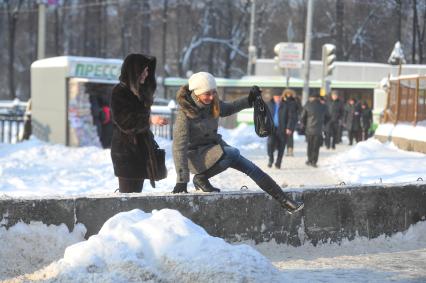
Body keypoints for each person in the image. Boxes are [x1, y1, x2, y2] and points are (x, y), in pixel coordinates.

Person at [172, 72, 303, 214]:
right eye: (207, 94)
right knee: (232, 153)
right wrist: (181, 179)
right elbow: (179, 146)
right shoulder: (184, 113)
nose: (211, 97)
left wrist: (250, 99)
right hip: (197, 157)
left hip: (215, 149)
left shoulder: (212, 102)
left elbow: (230, 107)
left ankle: (286, 202)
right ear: (196, 92)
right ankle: (201, 177)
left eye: (213, 93)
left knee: (251, 168)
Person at [110, 53, 168, 193]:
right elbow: (125, 121)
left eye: (148, 70)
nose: (146, 74)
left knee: (135, 196)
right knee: (129, 198)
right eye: (143, 70)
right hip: (126, 153)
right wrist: (149, 120)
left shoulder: (139, 93)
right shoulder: (120, 92)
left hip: (139, 152)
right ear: (134, 71)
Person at [266, 89, 297, 168]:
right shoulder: (269, 104)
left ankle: (278, 162)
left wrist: (289, 127)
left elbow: (291, 117)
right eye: (276, 97)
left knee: (281, 146)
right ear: (273, 97)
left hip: (282, 129)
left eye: (279, 97)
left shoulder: (286, 105)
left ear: (282, 97)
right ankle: (271, 158)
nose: (278, 99)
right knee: (270, 144)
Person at [300, 93, 330, 168]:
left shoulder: (307, 105)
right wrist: (323, 123)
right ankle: (314, 161)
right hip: (319, 129)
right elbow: (328, 117)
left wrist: (304, 124)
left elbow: (302, 117)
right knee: (316, 146)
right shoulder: (323, 106)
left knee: (310, 145)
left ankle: (309, 159)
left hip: (309, 129)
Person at [282, 89, 299, 157]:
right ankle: (286, 150)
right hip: (284, 121)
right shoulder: (283, 101)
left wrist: (296, 118)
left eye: (289, 94)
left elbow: (298, 110)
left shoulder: (294, 101)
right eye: (287, 94)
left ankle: (290, 151)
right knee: (285, 136)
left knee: (290, 136)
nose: (288, 95)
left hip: (292, 121)